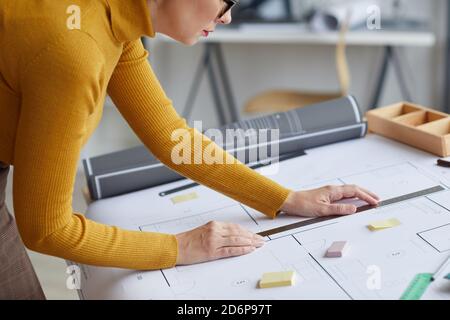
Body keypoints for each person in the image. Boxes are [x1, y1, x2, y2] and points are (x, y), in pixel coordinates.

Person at [0, 0, 379, 299]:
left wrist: (284, 198)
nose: (228, 17)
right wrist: (179, 247)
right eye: (226, 1)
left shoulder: (113, 17)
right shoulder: (76, 50)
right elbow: (47, 229)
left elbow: (171, 137)